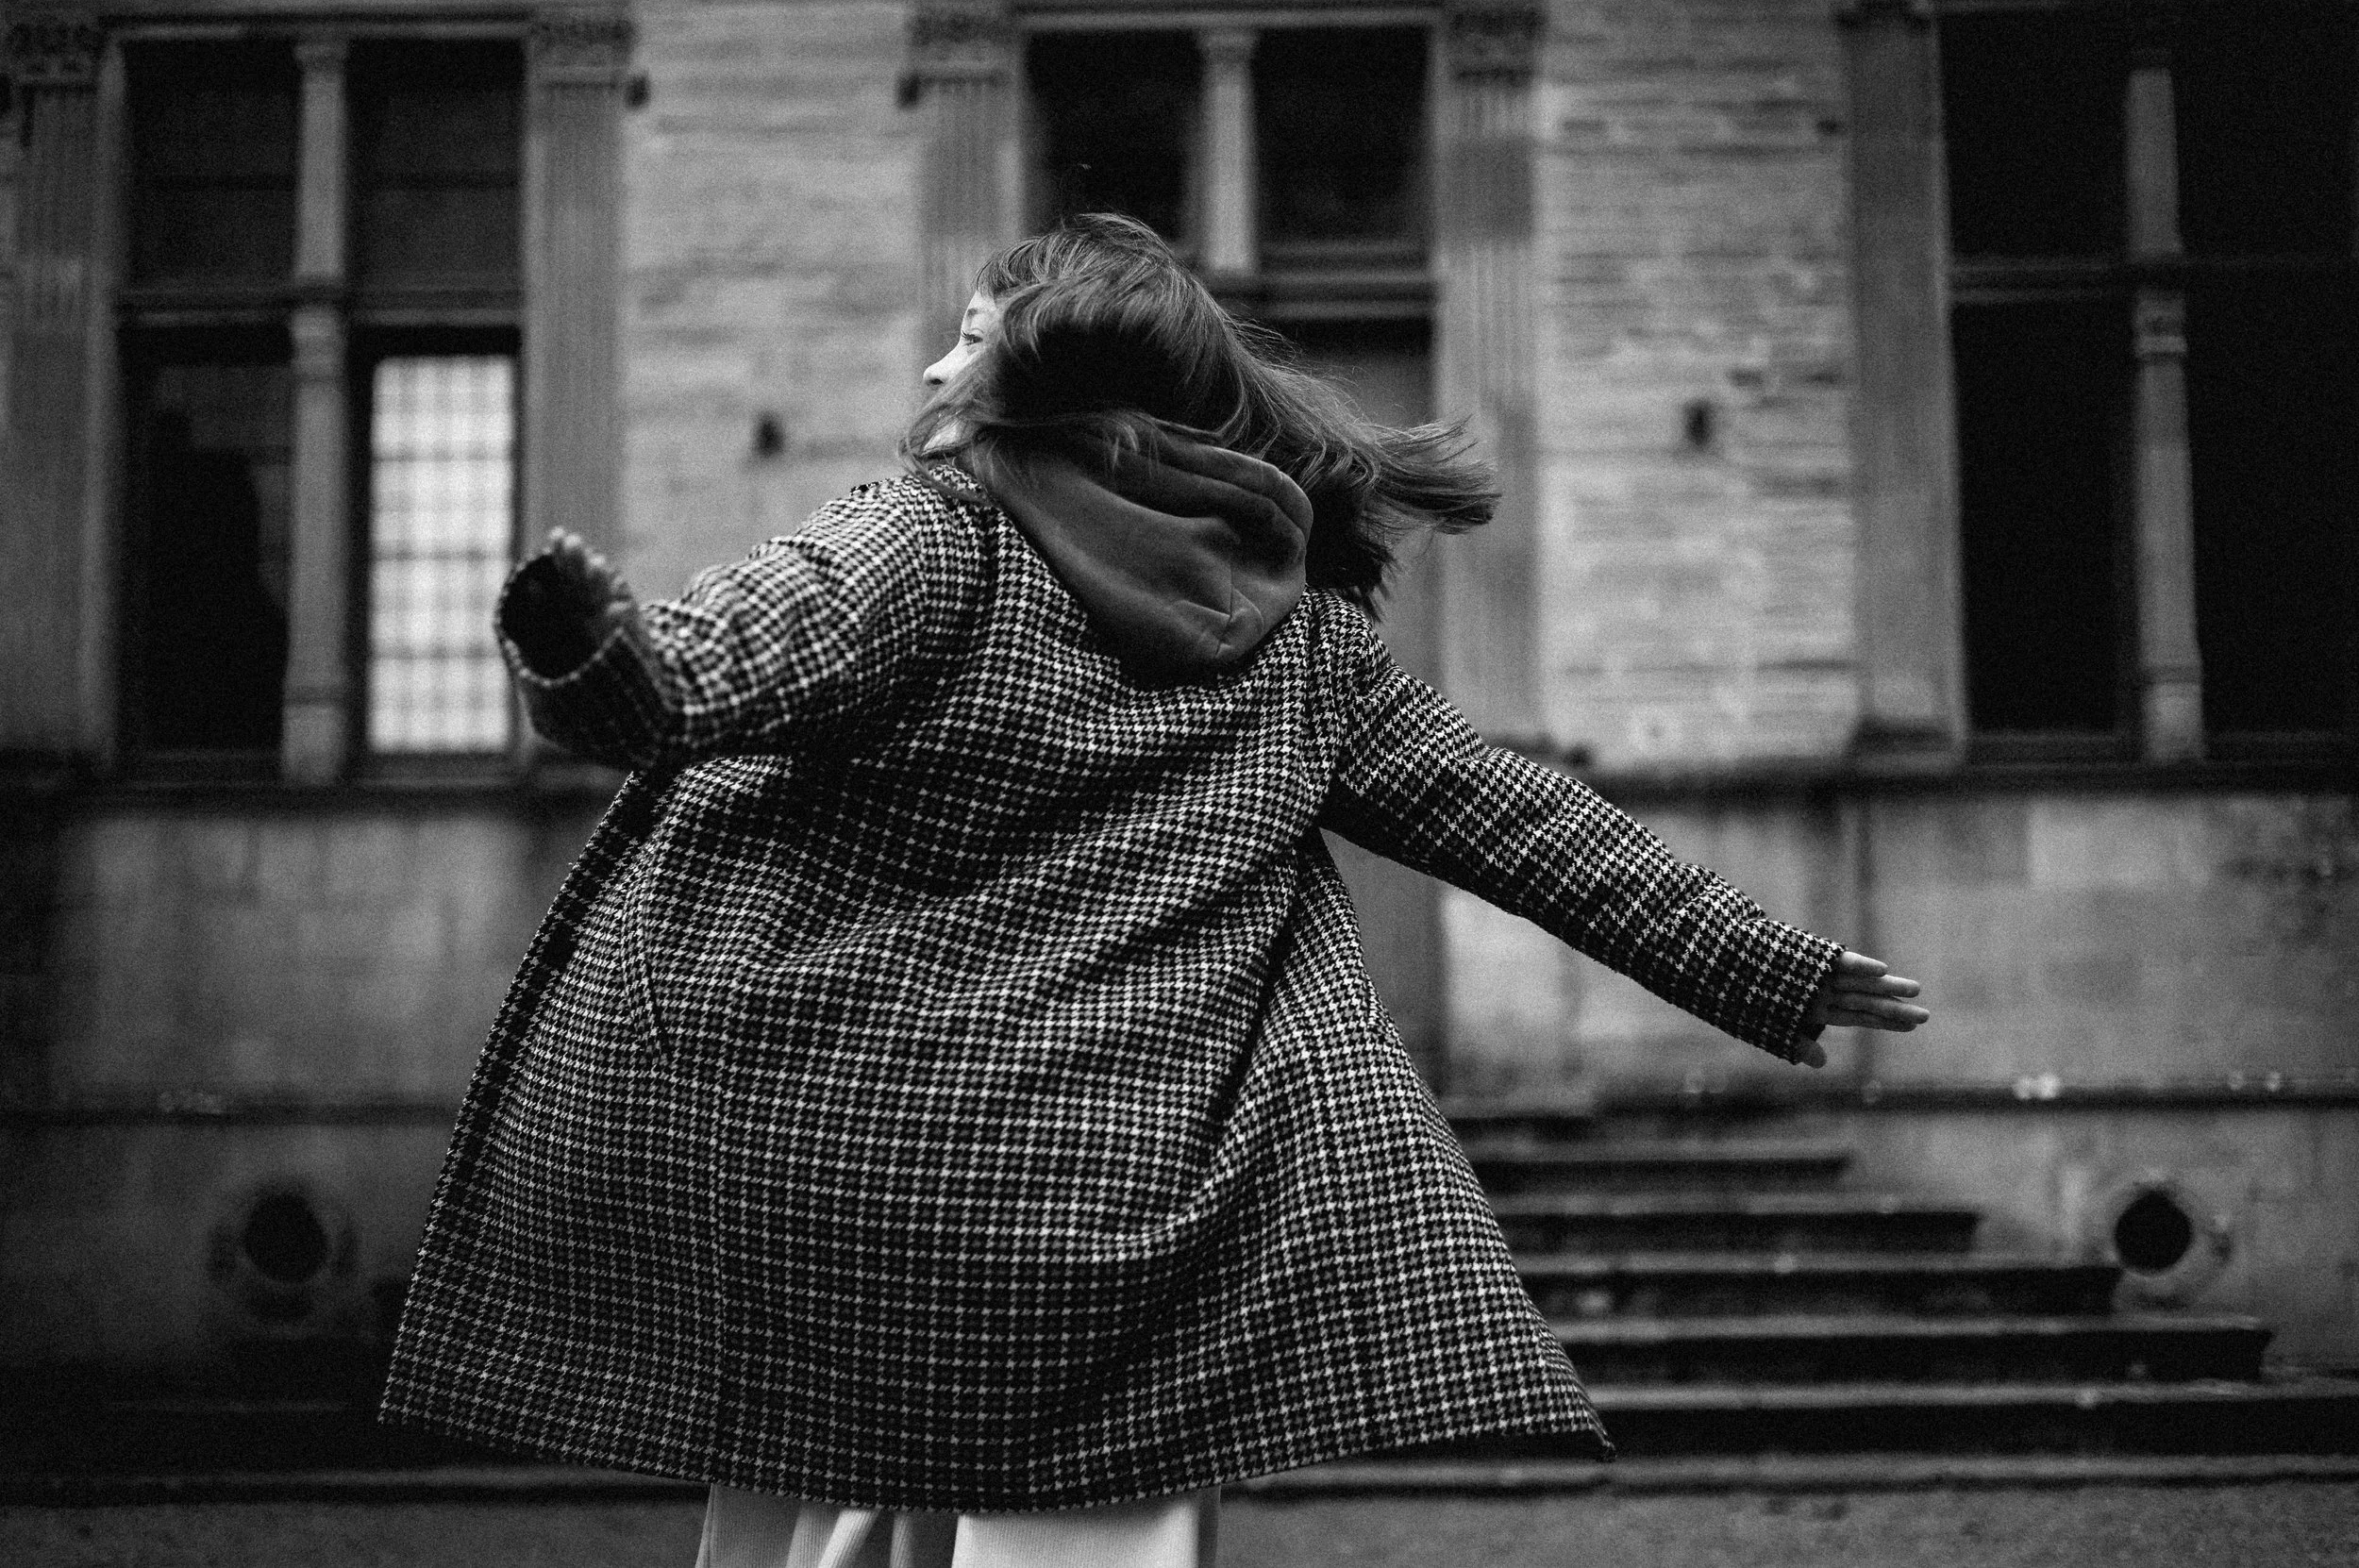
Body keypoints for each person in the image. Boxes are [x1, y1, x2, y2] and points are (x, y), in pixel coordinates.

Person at [380, 213, 1927, 1568]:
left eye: (968, 343)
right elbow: (1520, 817)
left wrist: (596, 656)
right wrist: (1765, 966)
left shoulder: (933, 544)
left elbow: (704, 675)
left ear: (1048, 390)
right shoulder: (1299, 644)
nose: (932, 375)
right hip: (1120, 1219)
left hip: (854, 1195)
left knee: (823, 1537)